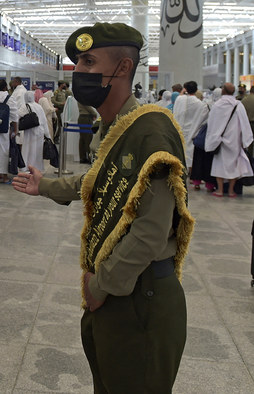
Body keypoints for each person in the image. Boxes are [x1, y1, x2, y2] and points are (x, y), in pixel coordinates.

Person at [12, 23, 194, 393]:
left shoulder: (150, 132)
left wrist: (102, 283)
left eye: (89, 61)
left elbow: (151, 229)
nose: (78, 71)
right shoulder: (116, 126)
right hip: (119, 292)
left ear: (123, 69)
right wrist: (44, 185)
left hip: (140, 296)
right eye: (78, 62)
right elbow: (97, 181)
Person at [206, 82, 254, 197]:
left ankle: (220, 190)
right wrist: (245, 140)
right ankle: (232, 191)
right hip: (235, 140)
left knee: (219, 165)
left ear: (223, 91)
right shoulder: (238, 105)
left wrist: (212, 138)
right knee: (234, 165)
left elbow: (211, 123)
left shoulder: (217, 105)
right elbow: (244, 123)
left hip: (220, 140)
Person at [172, 81, 209, 172]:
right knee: (191, 154)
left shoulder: (180, 100)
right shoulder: (200, 104)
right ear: (196, 90)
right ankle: (193, 174)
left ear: (185, 89)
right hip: (193, 131)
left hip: (180, 128)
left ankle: (179, 170)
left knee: (181, 152)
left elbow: (176, 110)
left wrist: (184, 91)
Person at [20, 90, 51, 171]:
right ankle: (37, 167)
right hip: (40, 132)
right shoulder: (39, 106)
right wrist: (48, 135)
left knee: (28, 150)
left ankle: (26, 167)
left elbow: (18, 116)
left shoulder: (24, 106)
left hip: (30, 131)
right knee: (37, 151)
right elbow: (44, 121)